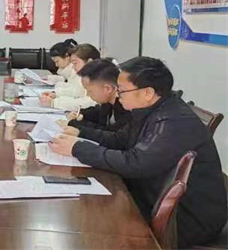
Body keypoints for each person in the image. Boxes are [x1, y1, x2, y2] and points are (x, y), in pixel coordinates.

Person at [50, 57, 227, 247]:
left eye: (122, 90)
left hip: (187, 218)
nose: (118, 95)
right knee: (89, 209)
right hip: (151, 195)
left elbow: (135, 163)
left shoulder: (174, 121)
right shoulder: (148, 110)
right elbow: (119, 139)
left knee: (92, 222)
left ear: (147, 92)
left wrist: (78, 148)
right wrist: (80, 133)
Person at [62, 58, 130, 131]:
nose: (88, 94)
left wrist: (77, 124)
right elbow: (98, 111)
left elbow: (110, 133)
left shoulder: (127, 107)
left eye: (90, 91)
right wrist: (81, 113)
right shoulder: (108, 102)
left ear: (107, 89)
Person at [40, 43, 99, 110]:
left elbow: (89, 103)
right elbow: (77, 91)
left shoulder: (100, 79)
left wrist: (54, 102)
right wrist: (55, 94)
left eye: (75, 63)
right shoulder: (88, 77)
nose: (73, 67)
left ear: (89, 62)